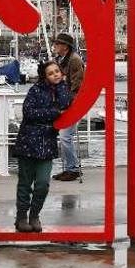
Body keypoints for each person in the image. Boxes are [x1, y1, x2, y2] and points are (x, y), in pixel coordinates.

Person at [12, 61, 73, 232]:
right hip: (28, 142)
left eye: (57, 71)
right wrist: (54, 113)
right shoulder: (35, 90)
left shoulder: (62, 89)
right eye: (51, 73)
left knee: (43, 183)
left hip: (47, 143)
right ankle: (21, 217)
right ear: (44, 76)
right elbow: (28, 112)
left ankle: (34, 215)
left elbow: (66, 105)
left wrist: (61, 86)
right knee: (25, 183)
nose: (55, 75)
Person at [51, 33, 85, 182]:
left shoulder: (75, 60)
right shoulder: (61, 59)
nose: (55, 46)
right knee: (64, 137)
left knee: (65, 137)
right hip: (65, 103)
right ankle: (69, 168)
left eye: (58, 44)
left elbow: (77, 84)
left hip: (73, 104)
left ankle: (73, 169)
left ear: (65, 46)